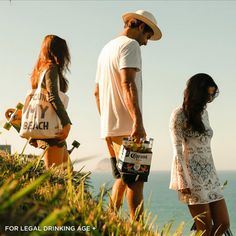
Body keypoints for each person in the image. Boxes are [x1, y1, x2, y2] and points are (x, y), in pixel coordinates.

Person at [94, 10, 162, 220]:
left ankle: (109, 220)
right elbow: (128, 83)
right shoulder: (130, 45)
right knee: (135, 181)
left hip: (109, 126)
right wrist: (138, 123)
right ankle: (137, 228)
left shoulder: (106, 49)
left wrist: (106, 119)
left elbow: (96, 91)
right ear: (141, 27)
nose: (146, 43)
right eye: (147, 36)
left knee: (122, 178)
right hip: (127, 126)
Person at [169, 73, 230, 235]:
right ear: (197, 92)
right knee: (204, 228)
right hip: (192, 176)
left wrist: (213, 175)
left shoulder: (205, 114)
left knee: (223, 223)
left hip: (211, 175)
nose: (209, 100)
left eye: (212, 95)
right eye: (207, 95)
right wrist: (183, 181)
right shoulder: (179, 114)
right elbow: (177, 149)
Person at [25, 35, 72, 169]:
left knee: (67, 171)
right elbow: (53, 96)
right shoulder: (51, 68)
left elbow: (32, 100)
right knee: (56, 176)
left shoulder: (38, 71)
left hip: (46, 127)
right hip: (52, 132)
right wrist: (67, 122)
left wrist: (32, 133)